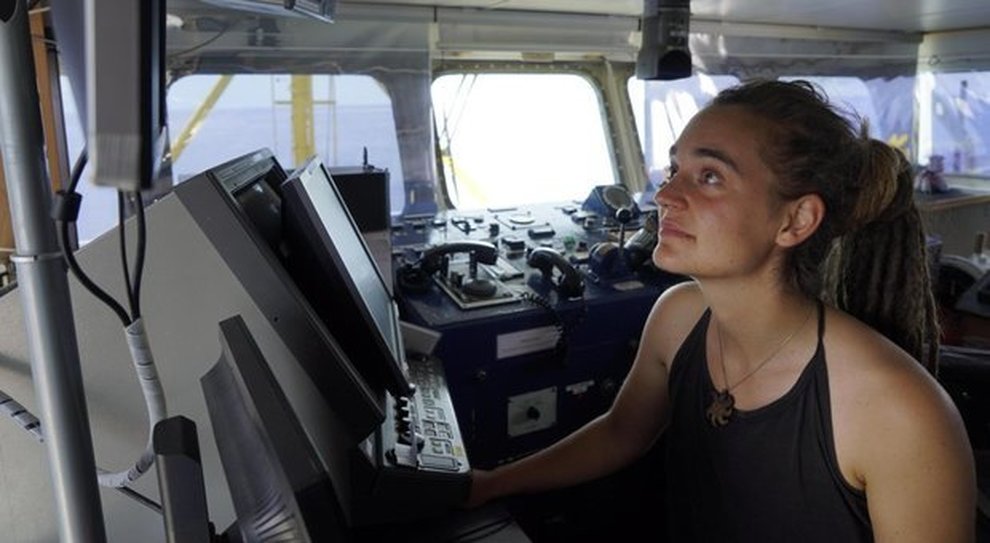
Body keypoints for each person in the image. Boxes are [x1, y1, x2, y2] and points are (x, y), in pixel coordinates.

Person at [467, 79, 977, 541]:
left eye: (709, 176)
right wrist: (491, 484)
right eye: (674, 170)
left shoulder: (900, 411)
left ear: (796, 220)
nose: (665, 195)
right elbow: (621, 433)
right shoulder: (678, 317)